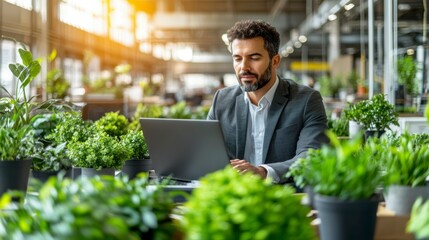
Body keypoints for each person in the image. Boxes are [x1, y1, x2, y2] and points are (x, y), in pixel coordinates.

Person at [207, 20, 329, 183]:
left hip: (284, 197)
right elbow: (206, 153)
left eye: (254, 58)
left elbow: (311, 155)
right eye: (237, 58)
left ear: (275, 61)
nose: (244, 67)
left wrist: (263, 172)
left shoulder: (306, 100)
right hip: (233, 197)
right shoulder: (222, 100)